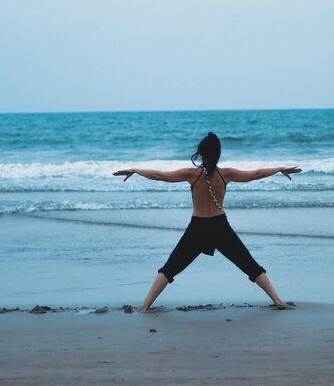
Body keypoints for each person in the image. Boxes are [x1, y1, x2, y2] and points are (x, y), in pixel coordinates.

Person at [113, 132, 301, 311]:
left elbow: (160, 176)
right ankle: (277, 301)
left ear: (201, 153)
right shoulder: (225, 174)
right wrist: (278, 169)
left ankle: (144, 307)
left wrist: (135, 170)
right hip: (220, 226)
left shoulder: (191, 174)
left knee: (170, 268)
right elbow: (256, 174)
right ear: (218, 153)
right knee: (249, 265)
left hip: (198, 228)